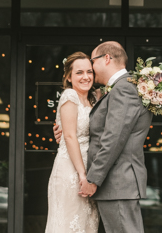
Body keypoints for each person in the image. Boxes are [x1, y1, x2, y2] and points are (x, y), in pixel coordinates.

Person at [56, 41, 153, 233]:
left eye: (92, 62)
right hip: (115, 183)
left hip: (118, 181)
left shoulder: (123, 89)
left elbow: (113, 138)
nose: (90, 68)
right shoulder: (116, 89)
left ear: (106, 59)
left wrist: (93, 179)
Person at [45, 52, 99, 233]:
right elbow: (69, 136)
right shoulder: (69, 95)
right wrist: (83, 176)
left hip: (88, 168)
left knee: (86, 224)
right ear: (68, 76)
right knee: (68, 225)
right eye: (79, 72)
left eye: (89, 72)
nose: (86, 77)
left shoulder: (93, 98)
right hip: (71, 170)